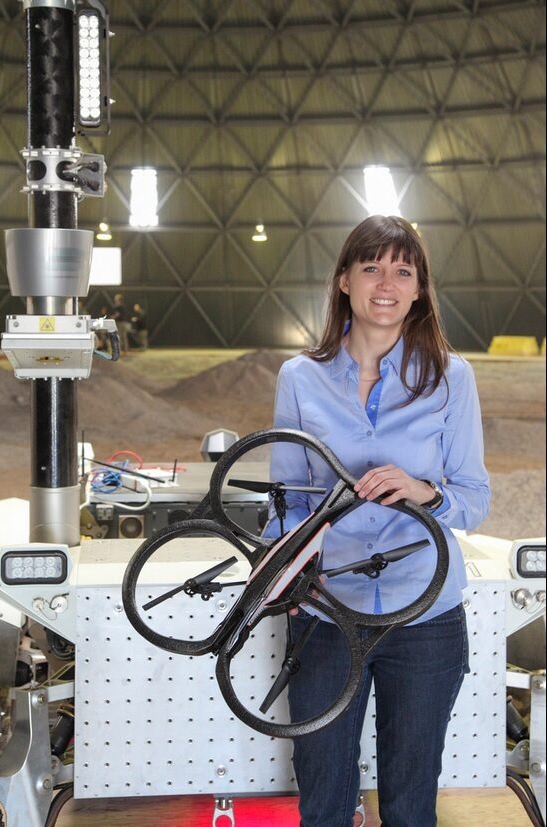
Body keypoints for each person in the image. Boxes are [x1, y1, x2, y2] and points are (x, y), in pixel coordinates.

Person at [263, 215, 490, 827]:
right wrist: (283, 574)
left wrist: (425, 492)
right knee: (325, 797)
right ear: (344, 281)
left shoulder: (451, 378)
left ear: (419, 289)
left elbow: (474, 498)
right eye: (370, 268)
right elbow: (286, 503)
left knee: (412, 802)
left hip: (425, 615)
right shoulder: (300, 379)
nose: (385, 283)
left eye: (402, 270)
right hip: (327, 612)